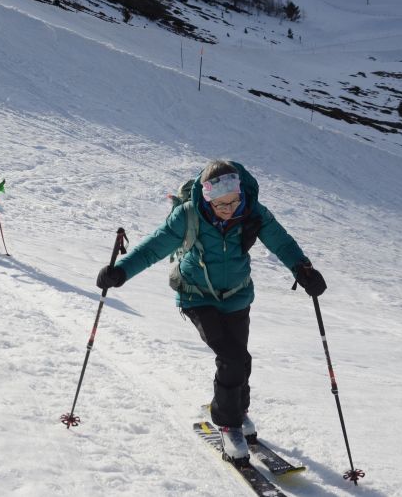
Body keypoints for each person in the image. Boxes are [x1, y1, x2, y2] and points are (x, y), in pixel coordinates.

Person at [95, 160, 327, 460]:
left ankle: (238, 411)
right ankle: (228, 424)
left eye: (233, 201)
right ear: (207, 199)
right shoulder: (188, 215)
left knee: (241, 358)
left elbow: (281, 243)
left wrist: (303, 270)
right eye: (221, 204)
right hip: (197, 297)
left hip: (237, 296)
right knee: (230, 358)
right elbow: (154, 247)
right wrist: (121, 271)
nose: (229, 209)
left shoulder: (253, 211)